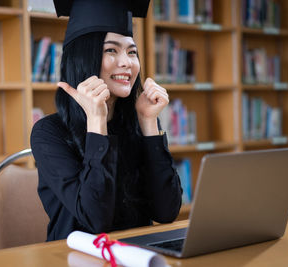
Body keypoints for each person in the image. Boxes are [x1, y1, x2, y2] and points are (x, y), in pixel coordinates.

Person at [31, 0, 182, 241]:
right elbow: (95, 220)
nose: (127, 62)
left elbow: (166, 212)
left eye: (132, 52)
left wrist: (149, 123)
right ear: (83, 58)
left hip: (138, 254)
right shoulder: (49, 132)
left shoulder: (138, 121)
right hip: (76, 257)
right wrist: (96, 122)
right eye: (111, 50)